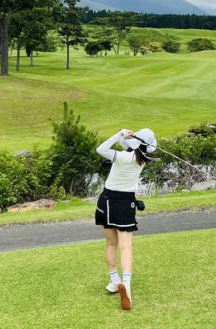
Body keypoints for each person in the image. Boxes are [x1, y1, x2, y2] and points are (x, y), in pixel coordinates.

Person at [95, 127, 157, 310]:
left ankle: (115, 280)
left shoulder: (121, 157)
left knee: (111, 244)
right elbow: (131, 147)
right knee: (126, 246)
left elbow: (101, 149)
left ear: (134, 143)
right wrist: (129, 138)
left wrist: (119, 134)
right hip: (126, 203)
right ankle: (126, 285)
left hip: (106, 201)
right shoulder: (144, 159)